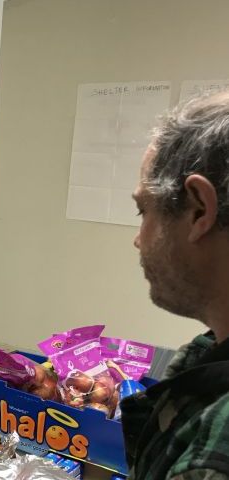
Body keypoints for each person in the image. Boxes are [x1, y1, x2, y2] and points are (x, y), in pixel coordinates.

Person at [123, 90, 229, 479]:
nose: (139, 238)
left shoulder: (213, 458)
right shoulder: (209, 359)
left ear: (199, 208)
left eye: (143, 210)